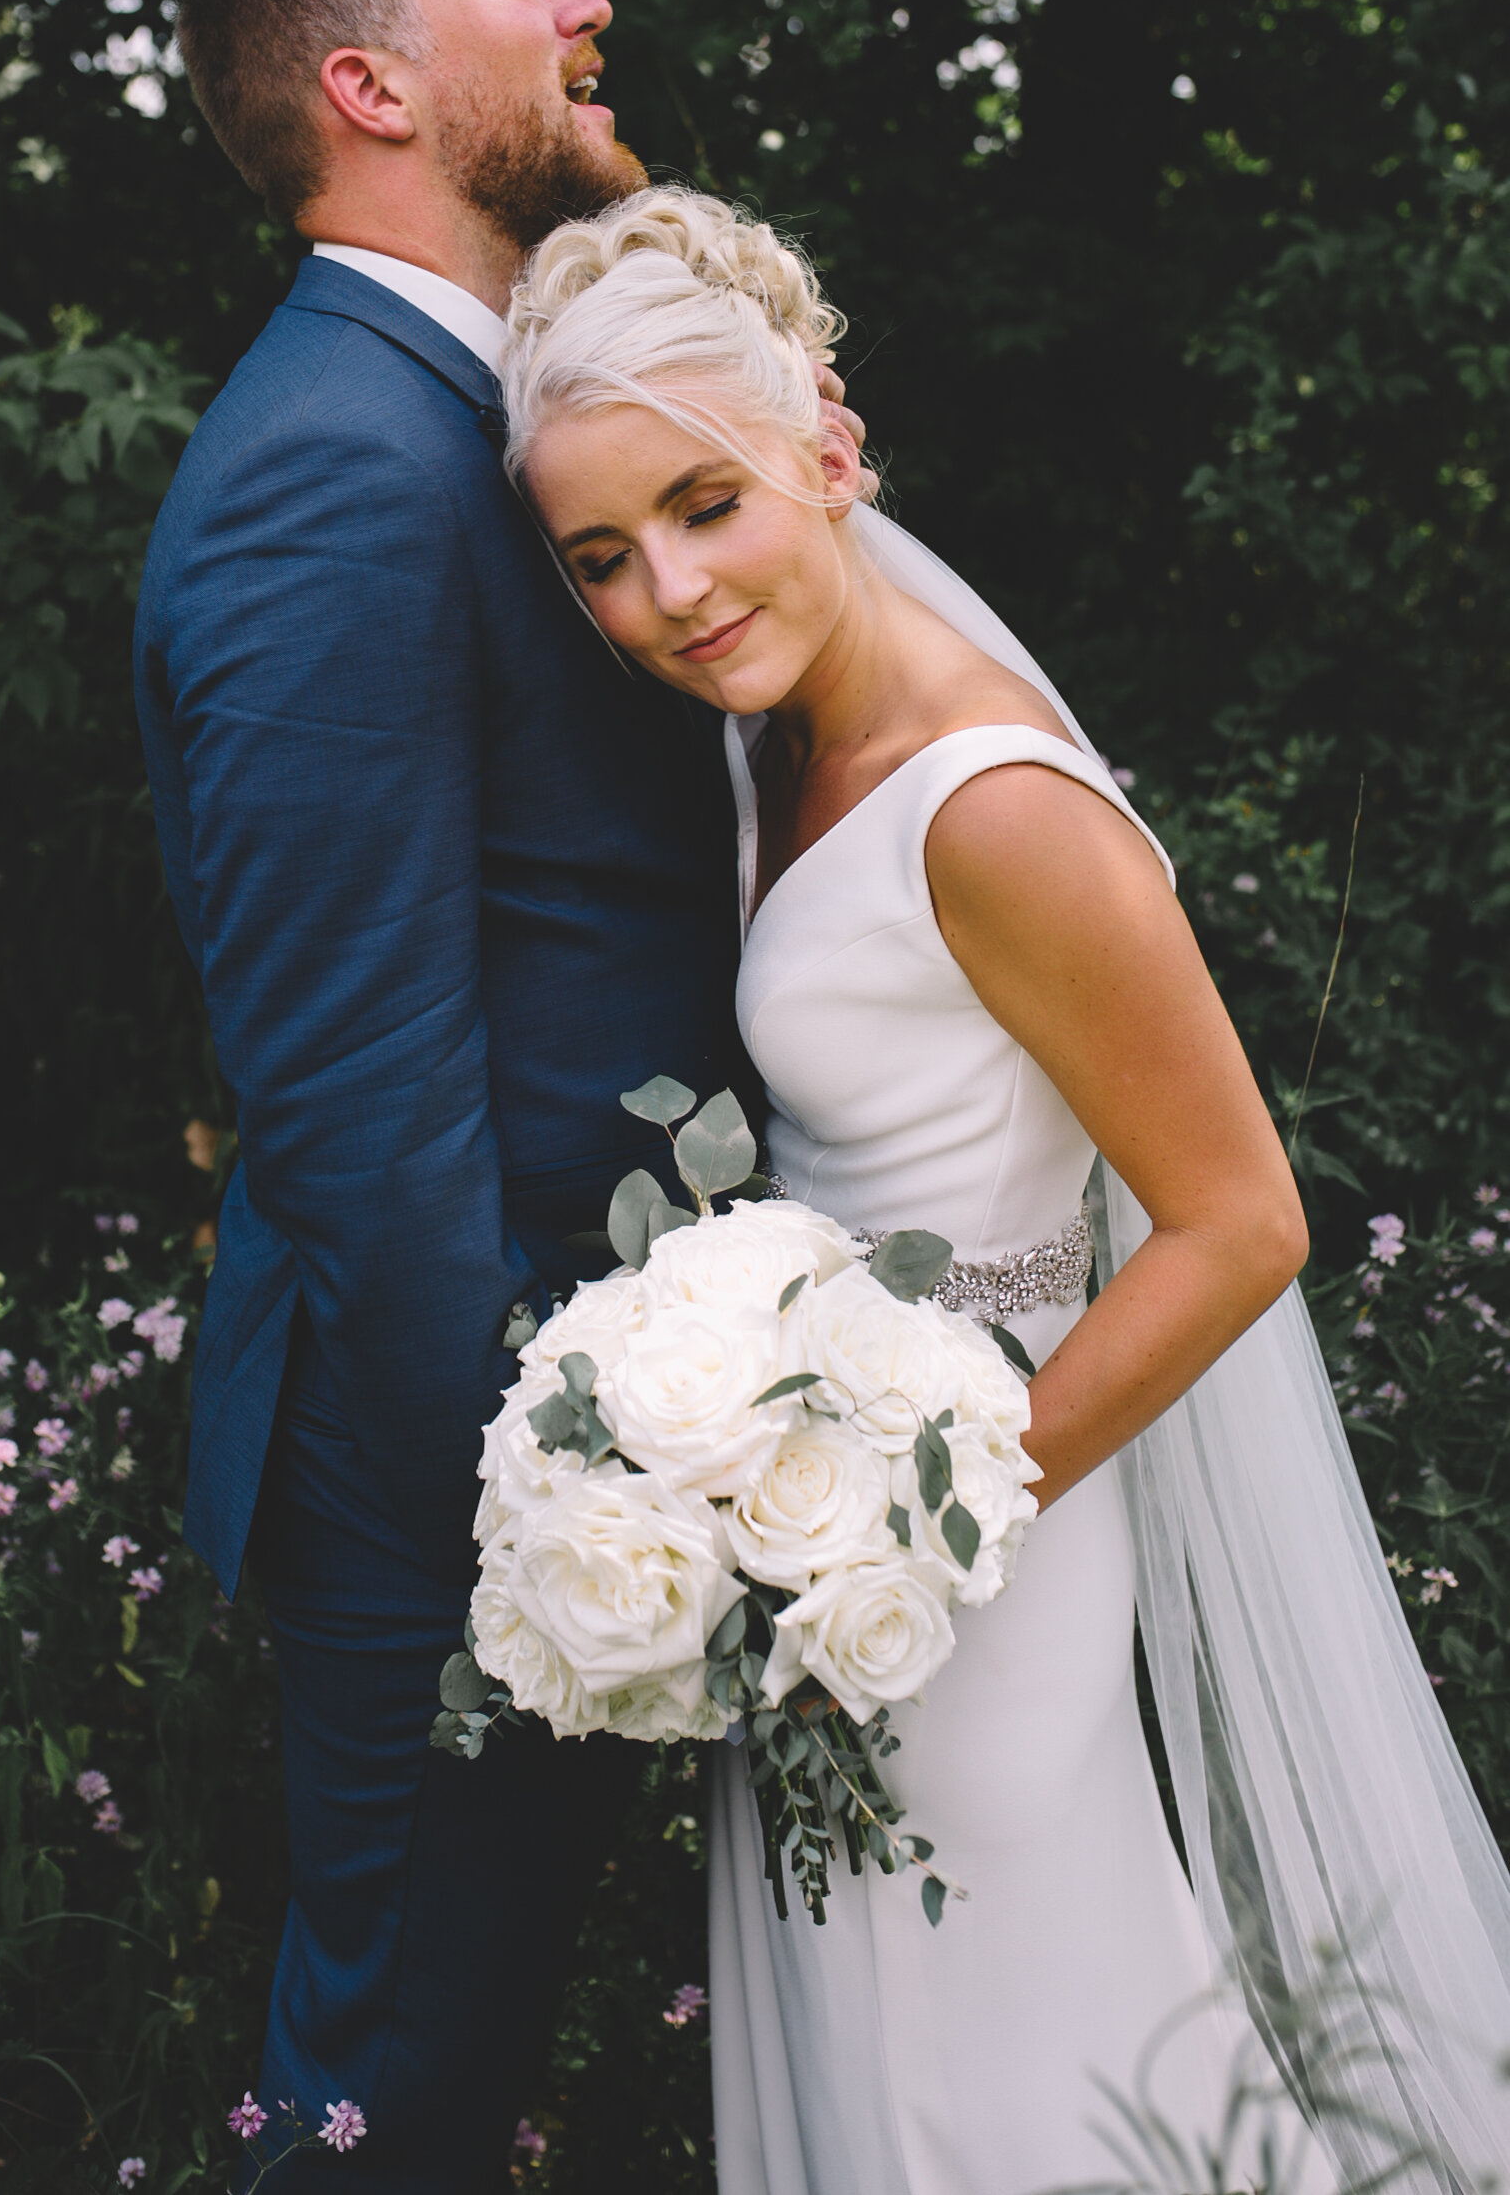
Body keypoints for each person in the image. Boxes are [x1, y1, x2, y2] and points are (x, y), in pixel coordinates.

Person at [498, 186, 1510, 2194]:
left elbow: (1244, 1222)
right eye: (601, 556)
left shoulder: (998, 807)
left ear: (831, 450)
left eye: (708, 504)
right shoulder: (782, 738)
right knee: (911, 2038)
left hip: (983, 1538)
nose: (670, 594)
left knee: (1008, 2061)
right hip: (844, 1527)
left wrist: (919, 1524)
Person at [134, 0, 852, 2186]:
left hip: (610, 1427)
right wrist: (534, 1513)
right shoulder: (326, 471)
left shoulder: (502, 420)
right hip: (456, 1475)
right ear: (370, 80)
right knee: (386, 2104)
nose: (585, 4)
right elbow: (350, 1101)